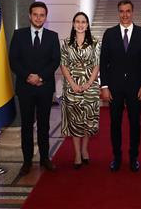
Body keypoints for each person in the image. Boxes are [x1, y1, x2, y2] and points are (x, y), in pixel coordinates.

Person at [100, 0, 141, 172]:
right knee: (114, 123)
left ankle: (133, 157)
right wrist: (104, 86)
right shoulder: (109, 33)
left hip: (135, 88)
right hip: (114, 88)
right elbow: (103, 62)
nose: (125, 14)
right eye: (121, 11)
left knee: (135, 123)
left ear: (133, 12)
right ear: (118, 13)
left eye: (128, 11)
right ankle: (116, 156)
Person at [9, 1, 61, 176]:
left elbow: (55, 60)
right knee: (26, 126)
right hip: (25, 88)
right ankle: (27, 161)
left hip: (45, 87)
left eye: (42, 15)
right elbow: (13, 60)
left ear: (46, 17)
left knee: (44, 125)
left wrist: (40, 77)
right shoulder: (19, 35)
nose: (39, 18)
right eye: (35, 14)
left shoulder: (52, 36)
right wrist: (28, 77)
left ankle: (45, 159)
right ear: (29, 16)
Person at [60, 12, 101, 169]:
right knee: (75, 122)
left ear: (87, 24)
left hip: (90, 87)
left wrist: (88, 84)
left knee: (87, 122)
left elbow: (97, 65)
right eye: (77, 21)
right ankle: (77, 153)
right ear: (73, 23)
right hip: (71, 88)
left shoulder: (95, 43)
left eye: (83, 21)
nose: (80, 24)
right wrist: (73, 84)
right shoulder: (66, 43)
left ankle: (85, 149)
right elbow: (63, 65)